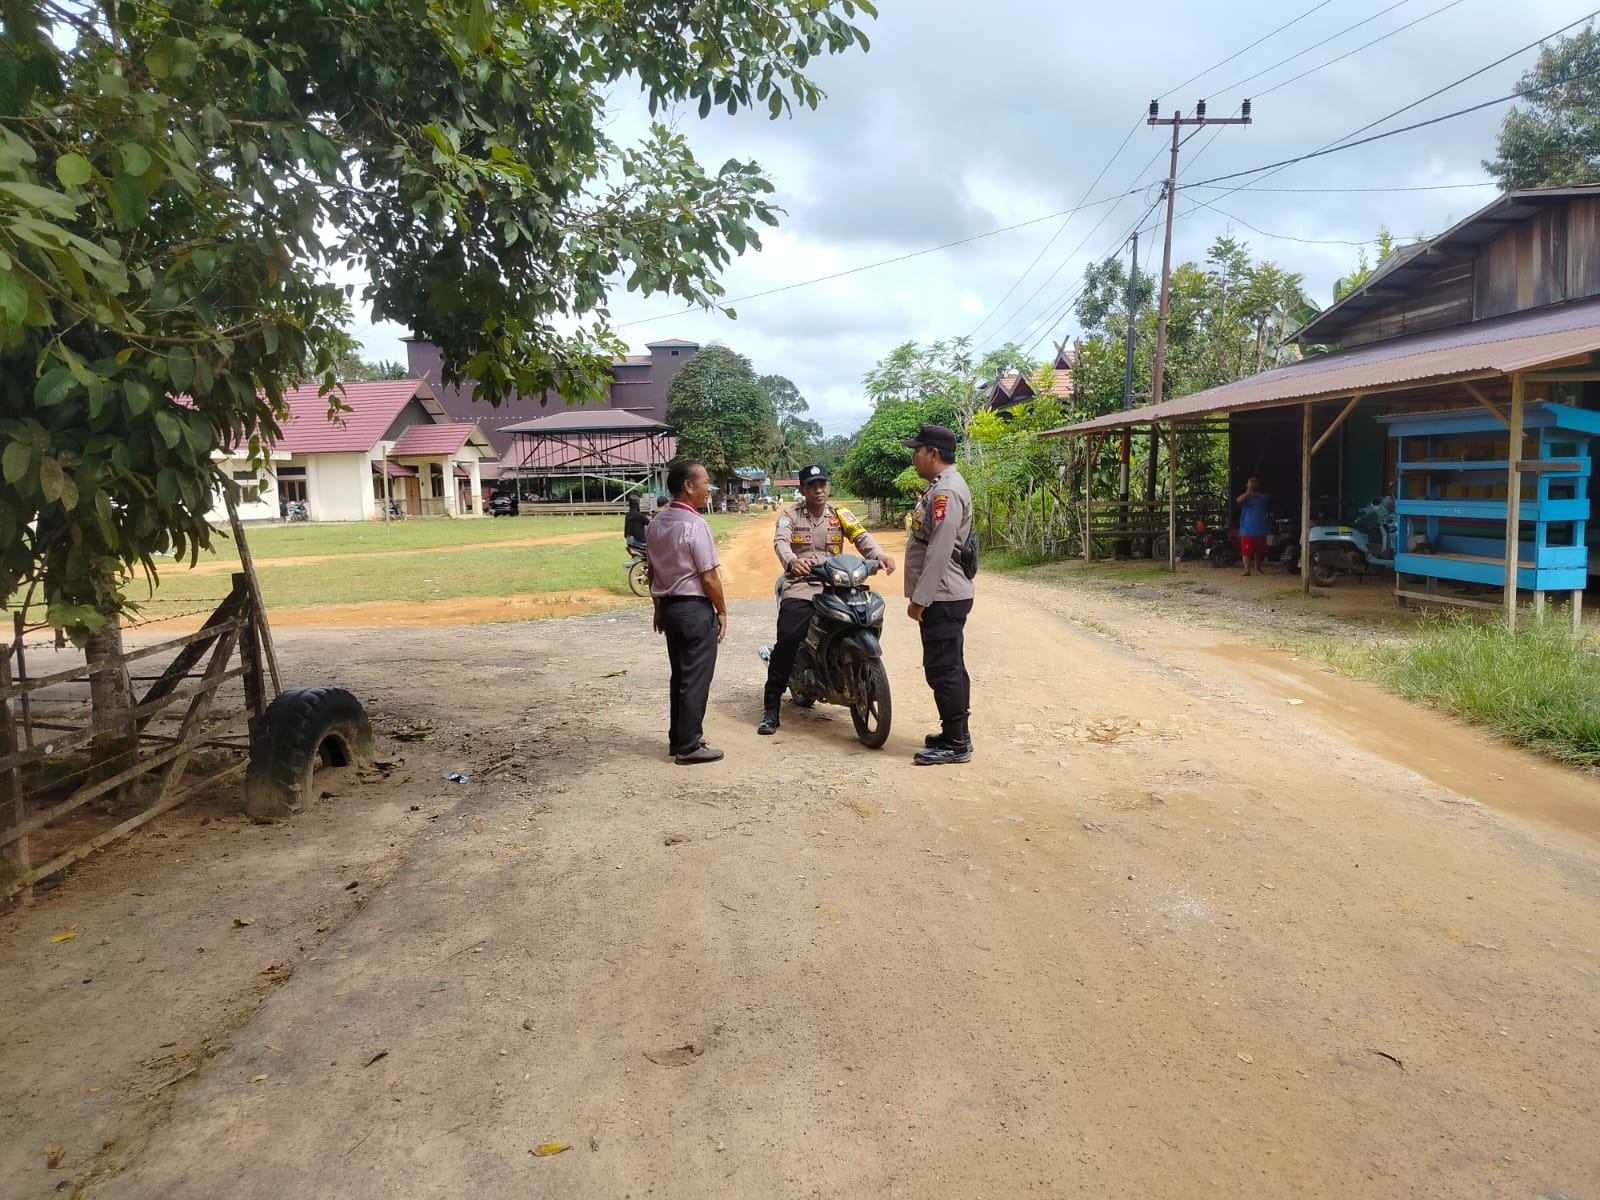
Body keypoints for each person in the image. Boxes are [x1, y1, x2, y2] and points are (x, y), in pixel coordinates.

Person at [757, 463, 896, 735]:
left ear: (828, 487)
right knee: (788, 638)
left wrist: (878, 555)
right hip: (803, 585)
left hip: (838, 584)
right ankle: (771, 707)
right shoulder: (790, 515)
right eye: (812, 486)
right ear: (803, 489)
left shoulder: (840, 515)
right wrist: (792, 561)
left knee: (863, 618)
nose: (818, 490)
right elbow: (781, 542)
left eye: (822, 484)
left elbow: (861, 536)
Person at [901, 424, 975, 766]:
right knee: (947, 665)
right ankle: (954, 733)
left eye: (918, 450)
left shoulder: (946, 492)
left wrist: (921, 598)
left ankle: (956, 743)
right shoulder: (939, 487)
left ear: (933, 453)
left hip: (942, 594)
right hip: (943, 594)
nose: (914, 456)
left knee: (944, 668)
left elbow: (940, 549)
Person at [646, 460, 727, 765]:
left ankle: (678, 739)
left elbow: (652, 570)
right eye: (705, 482)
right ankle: (689, 746)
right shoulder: (695, 525)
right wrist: (722, 611)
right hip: (693, 609)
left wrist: (658, 609)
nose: (709, 488)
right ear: (688, 486)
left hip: (669, 608)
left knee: (680, 675)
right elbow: (709, 577)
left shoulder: (655, 523)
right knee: (695, 677)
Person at [1236, 476, 1271, 577]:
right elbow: (1238, 500)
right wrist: (1248, 492)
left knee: (1259, 550)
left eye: (1255, 482)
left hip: (1259, 528)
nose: (1253, 483)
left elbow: (1268, 498)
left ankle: (1258, 568)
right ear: (1247, 484)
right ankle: (1247, 570)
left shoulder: (1261, 496)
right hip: (1247, 528)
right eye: (1250, 482)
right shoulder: (1245, 497)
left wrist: (1255, 493)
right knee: (1246, 550)